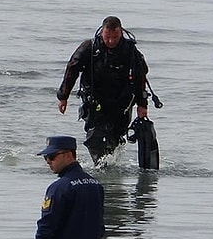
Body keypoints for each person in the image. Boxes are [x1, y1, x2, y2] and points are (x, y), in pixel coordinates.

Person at [56, 16, 149, 165]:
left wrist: (142, 105)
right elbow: (72, 70)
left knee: (116, 138)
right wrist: (63, 96)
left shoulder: (130, 51)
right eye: (107, 37)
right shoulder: (90, 48)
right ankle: (100, 166)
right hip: (95, 101)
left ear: (121, 33)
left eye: (115, 37)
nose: (111, 41)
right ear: (101, 34)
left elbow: (140, 77)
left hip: (121, 102)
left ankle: (109, 167)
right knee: (94, 138)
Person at [23, 136, 105, 239]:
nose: (48, 161)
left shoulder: (59, 188)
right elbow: (100, 228)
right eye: (46, 158)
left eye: (52, 156)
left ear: (68, 155)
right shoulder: (95, 185)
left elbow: (46, 227)